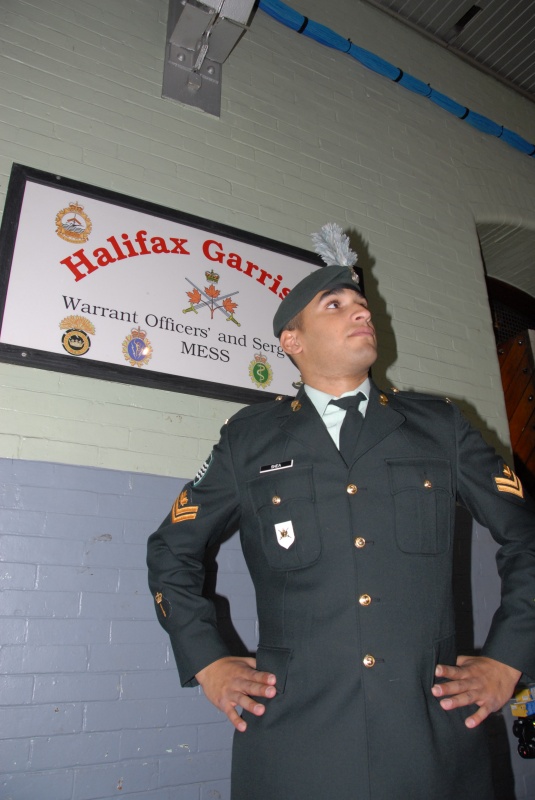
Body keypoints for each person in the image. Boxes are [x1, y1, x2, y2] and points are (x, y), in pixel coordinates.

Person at [147, 224, 535, 800]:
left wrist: (509, 659)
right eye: (335, 304)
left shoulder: (440, 426)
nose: (361, 312)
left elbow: (527, 537)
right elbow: (170, 551)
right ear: (292, 340)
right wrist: (208, 662)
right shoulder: (247, 440)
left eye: (362, 304)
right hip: (295, 742)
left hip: (432, 740)